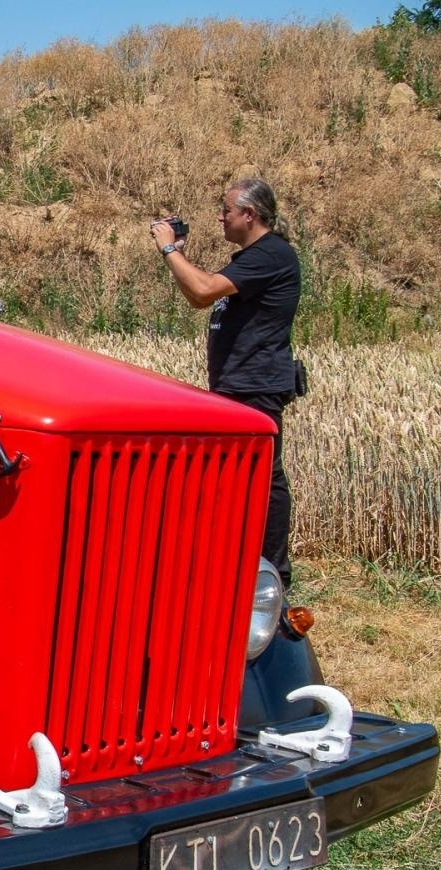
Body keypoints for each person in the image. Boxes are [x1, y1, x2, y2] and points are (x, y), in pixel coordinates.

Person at [151, 177, 301, 586]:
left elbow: (202, 291)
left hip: (255, 387)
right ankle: (234, 564)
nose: (221, 217)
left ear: (249, 215)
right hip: (237, 386)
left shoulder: (270, 254)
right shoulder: (252, 259)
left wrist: (168, 248)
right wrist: (179, 255)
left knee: (262, 481)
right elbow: (197, 293)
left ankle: (270, 576)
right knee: (234, 480)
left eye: (227, 210)